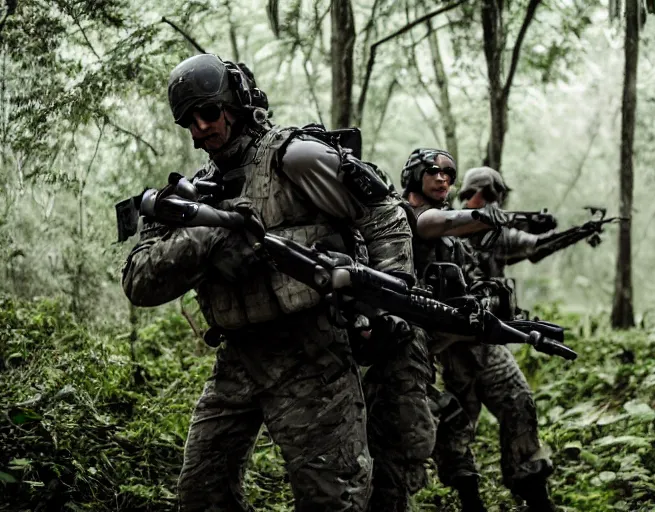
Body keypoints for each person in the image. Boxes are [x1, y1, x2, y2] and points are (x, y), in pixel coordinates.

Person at [121, 53, 418, 512]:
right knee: (202, 494)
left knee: (332, 499)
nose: (199, 127)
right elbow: (140, 283)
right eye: (188, 120)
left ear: (237, 104)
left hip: (311, 356)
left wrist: (388, 300)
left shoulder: (295, 157)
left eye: (208, 112)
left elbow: (384, 214)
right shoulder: (191, 195)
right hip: (237, 360)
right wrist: (210, 240)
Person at [399, 150, 556, 512]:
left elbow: (473, 275)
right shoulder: (398, 219)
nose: (443, 179)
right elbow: (436, 225)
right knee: (451, 422)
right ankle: (468, 498)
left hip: (476, 336)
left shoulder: (456, 236)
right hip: (430, 348)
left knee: (519, 402)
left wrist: (487, 296)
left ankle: (535, 494)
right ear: (415, 175)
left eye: (449, 174)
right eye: (434, 172)